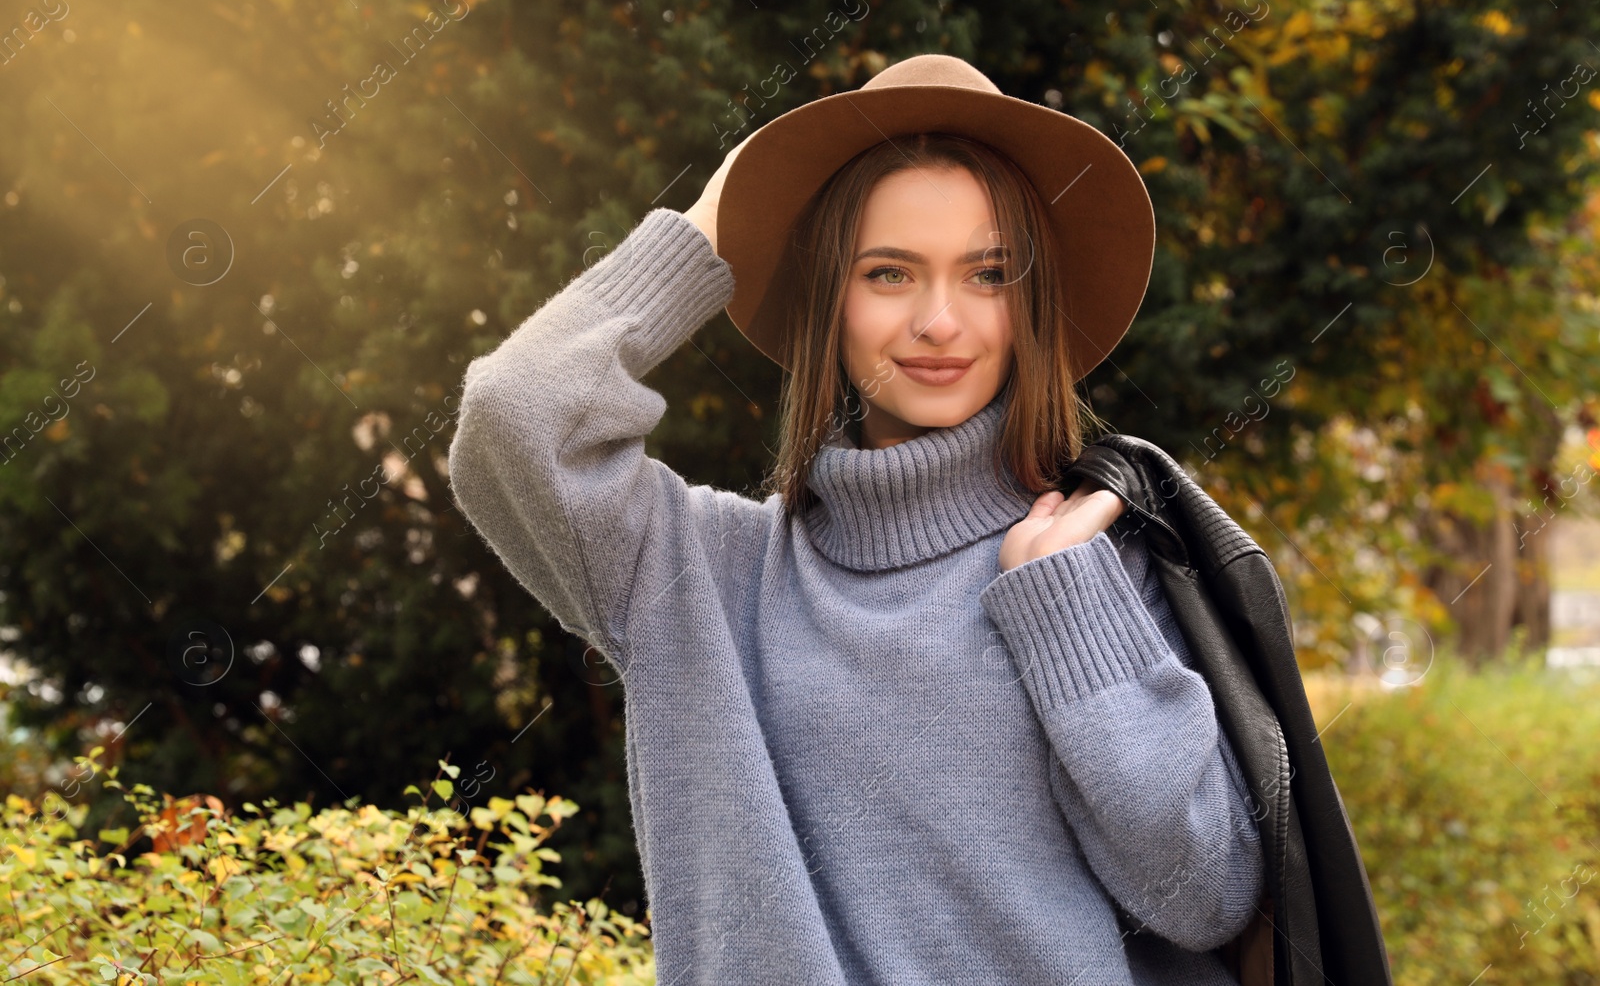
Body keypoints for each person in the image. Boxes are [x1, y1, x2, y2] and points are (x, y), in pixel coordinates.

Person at [447, 54, 1266, 986]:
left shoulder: (1100, 553)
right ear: (825, 298)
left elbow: (1209, 892)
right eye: (888, 273)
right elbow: (518, 414)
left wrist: (1062, 602)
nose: (940, 320)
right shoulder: (705, 576)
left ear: (1030, 301)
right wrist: (727, 212)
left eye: (989, 273)